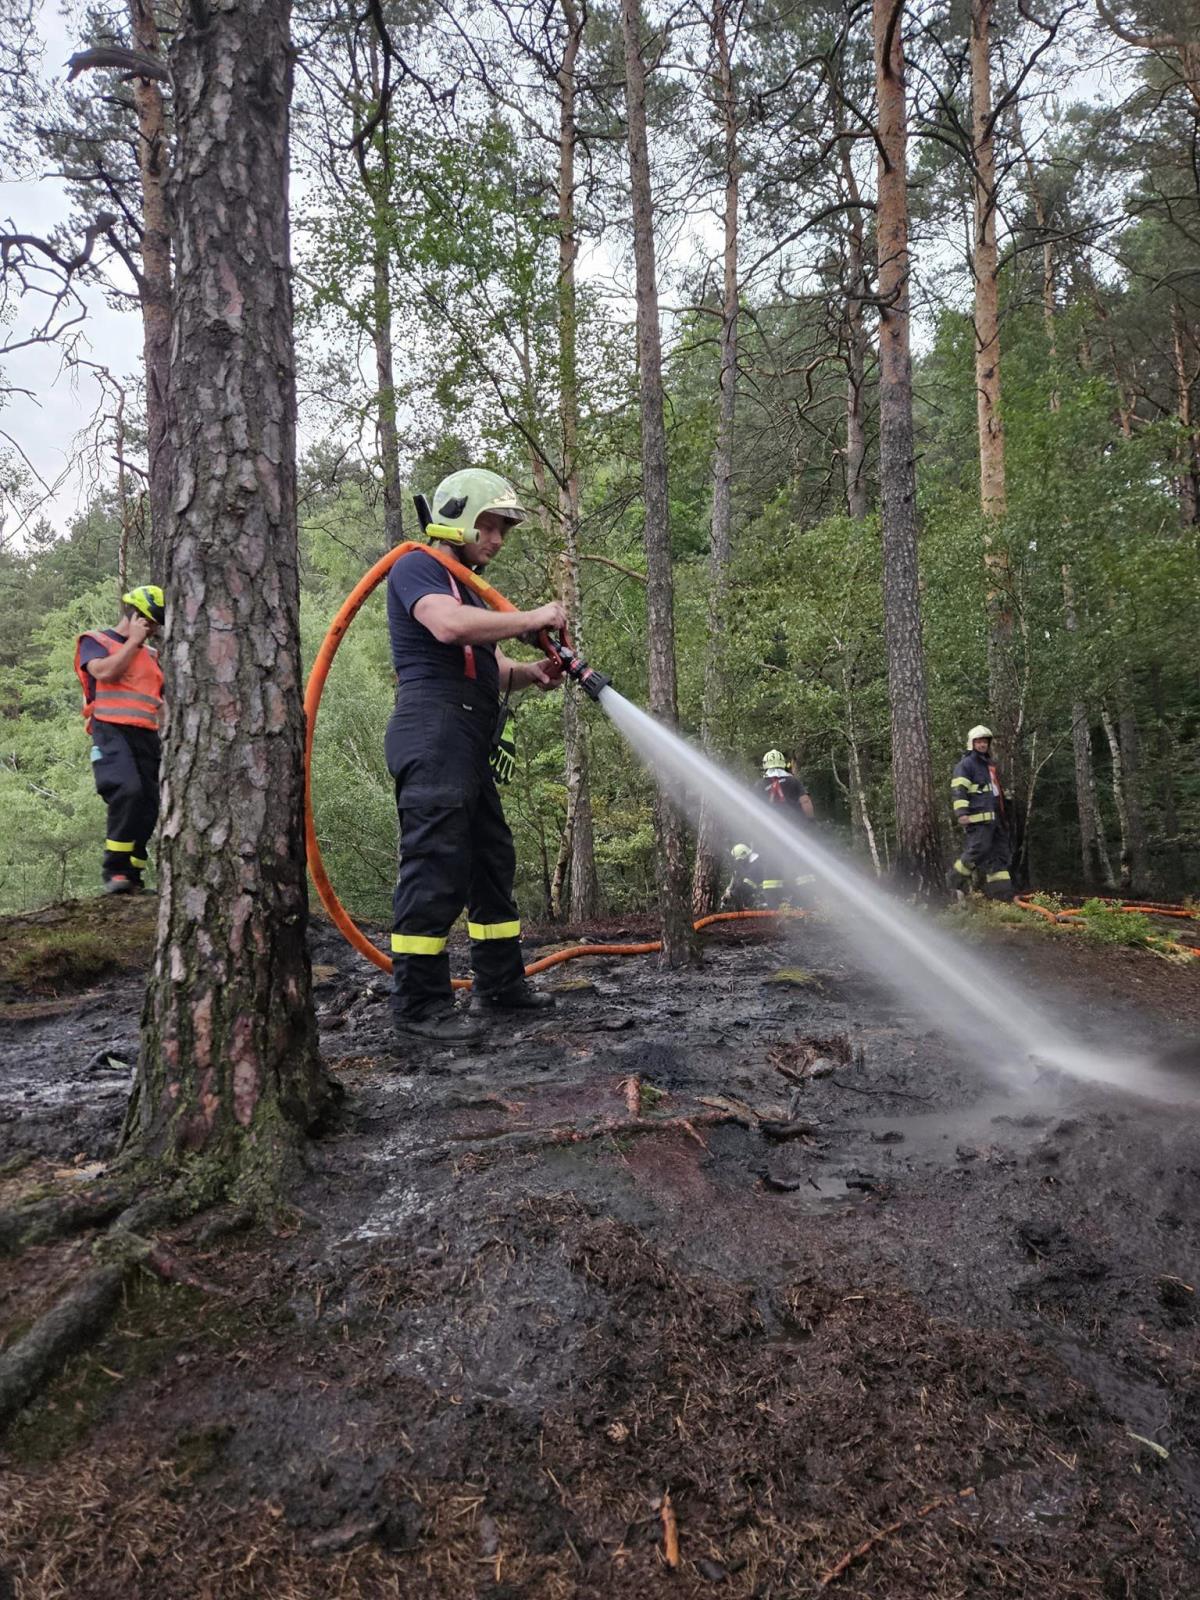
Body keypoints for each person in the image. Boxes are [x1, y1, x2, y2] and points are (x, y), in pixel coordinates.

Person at [386, 467, 567, 1043]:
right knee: (435, 861)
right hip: (432, 728)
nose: (496, 540)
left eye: (502, 531)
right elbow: (447, 630)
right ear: (458, 515)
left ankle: (501, 985)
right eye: (489, 526)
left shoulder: (465, 585)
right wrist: (533, 617)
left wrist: (530, 672)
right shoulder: (419, 565)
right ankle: (419, 1006)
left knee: (491, 861)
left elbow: (484, 667)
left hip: (466, 733)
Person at [73, 585, 165, 895]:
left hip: (147, 736)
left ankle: (133, 875)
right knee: (127, 791)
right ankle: (115, 871)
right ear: (136, 614)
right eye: (148, 622)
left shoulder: (151, 655)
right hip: (111, 731)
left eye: (154, 625)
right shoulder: (96, 642)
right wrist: (134, 642)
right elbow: (106, 673)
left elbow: (159, 698)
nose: (151, 631)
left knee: (150, 805)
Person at [726, 748, 816, 909]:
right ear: (783, 764)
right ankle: (806, 903)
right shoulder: (793, 782)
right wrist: (810, 821)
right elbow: (805, 802)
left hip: (768, 834)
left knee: (771, 868)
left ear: (765, 766)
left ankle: (775, 905)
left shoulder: (759, 785)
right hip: (794, 832)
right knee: (800, 864)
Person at [946, 724, 1013, 900]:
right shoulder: (966, 765)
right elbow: (958, 790)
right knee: (978, 850)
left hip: (996, 820)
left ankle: (1002, 898)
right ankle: (952, 883)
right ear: (972, 743)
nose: (983, 745)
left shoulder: (989, 765)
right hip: (978, 821)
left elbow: (995, 792)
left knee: (999, 856)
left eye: (985, 742)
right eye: (979, 742)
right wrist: (962, 813)